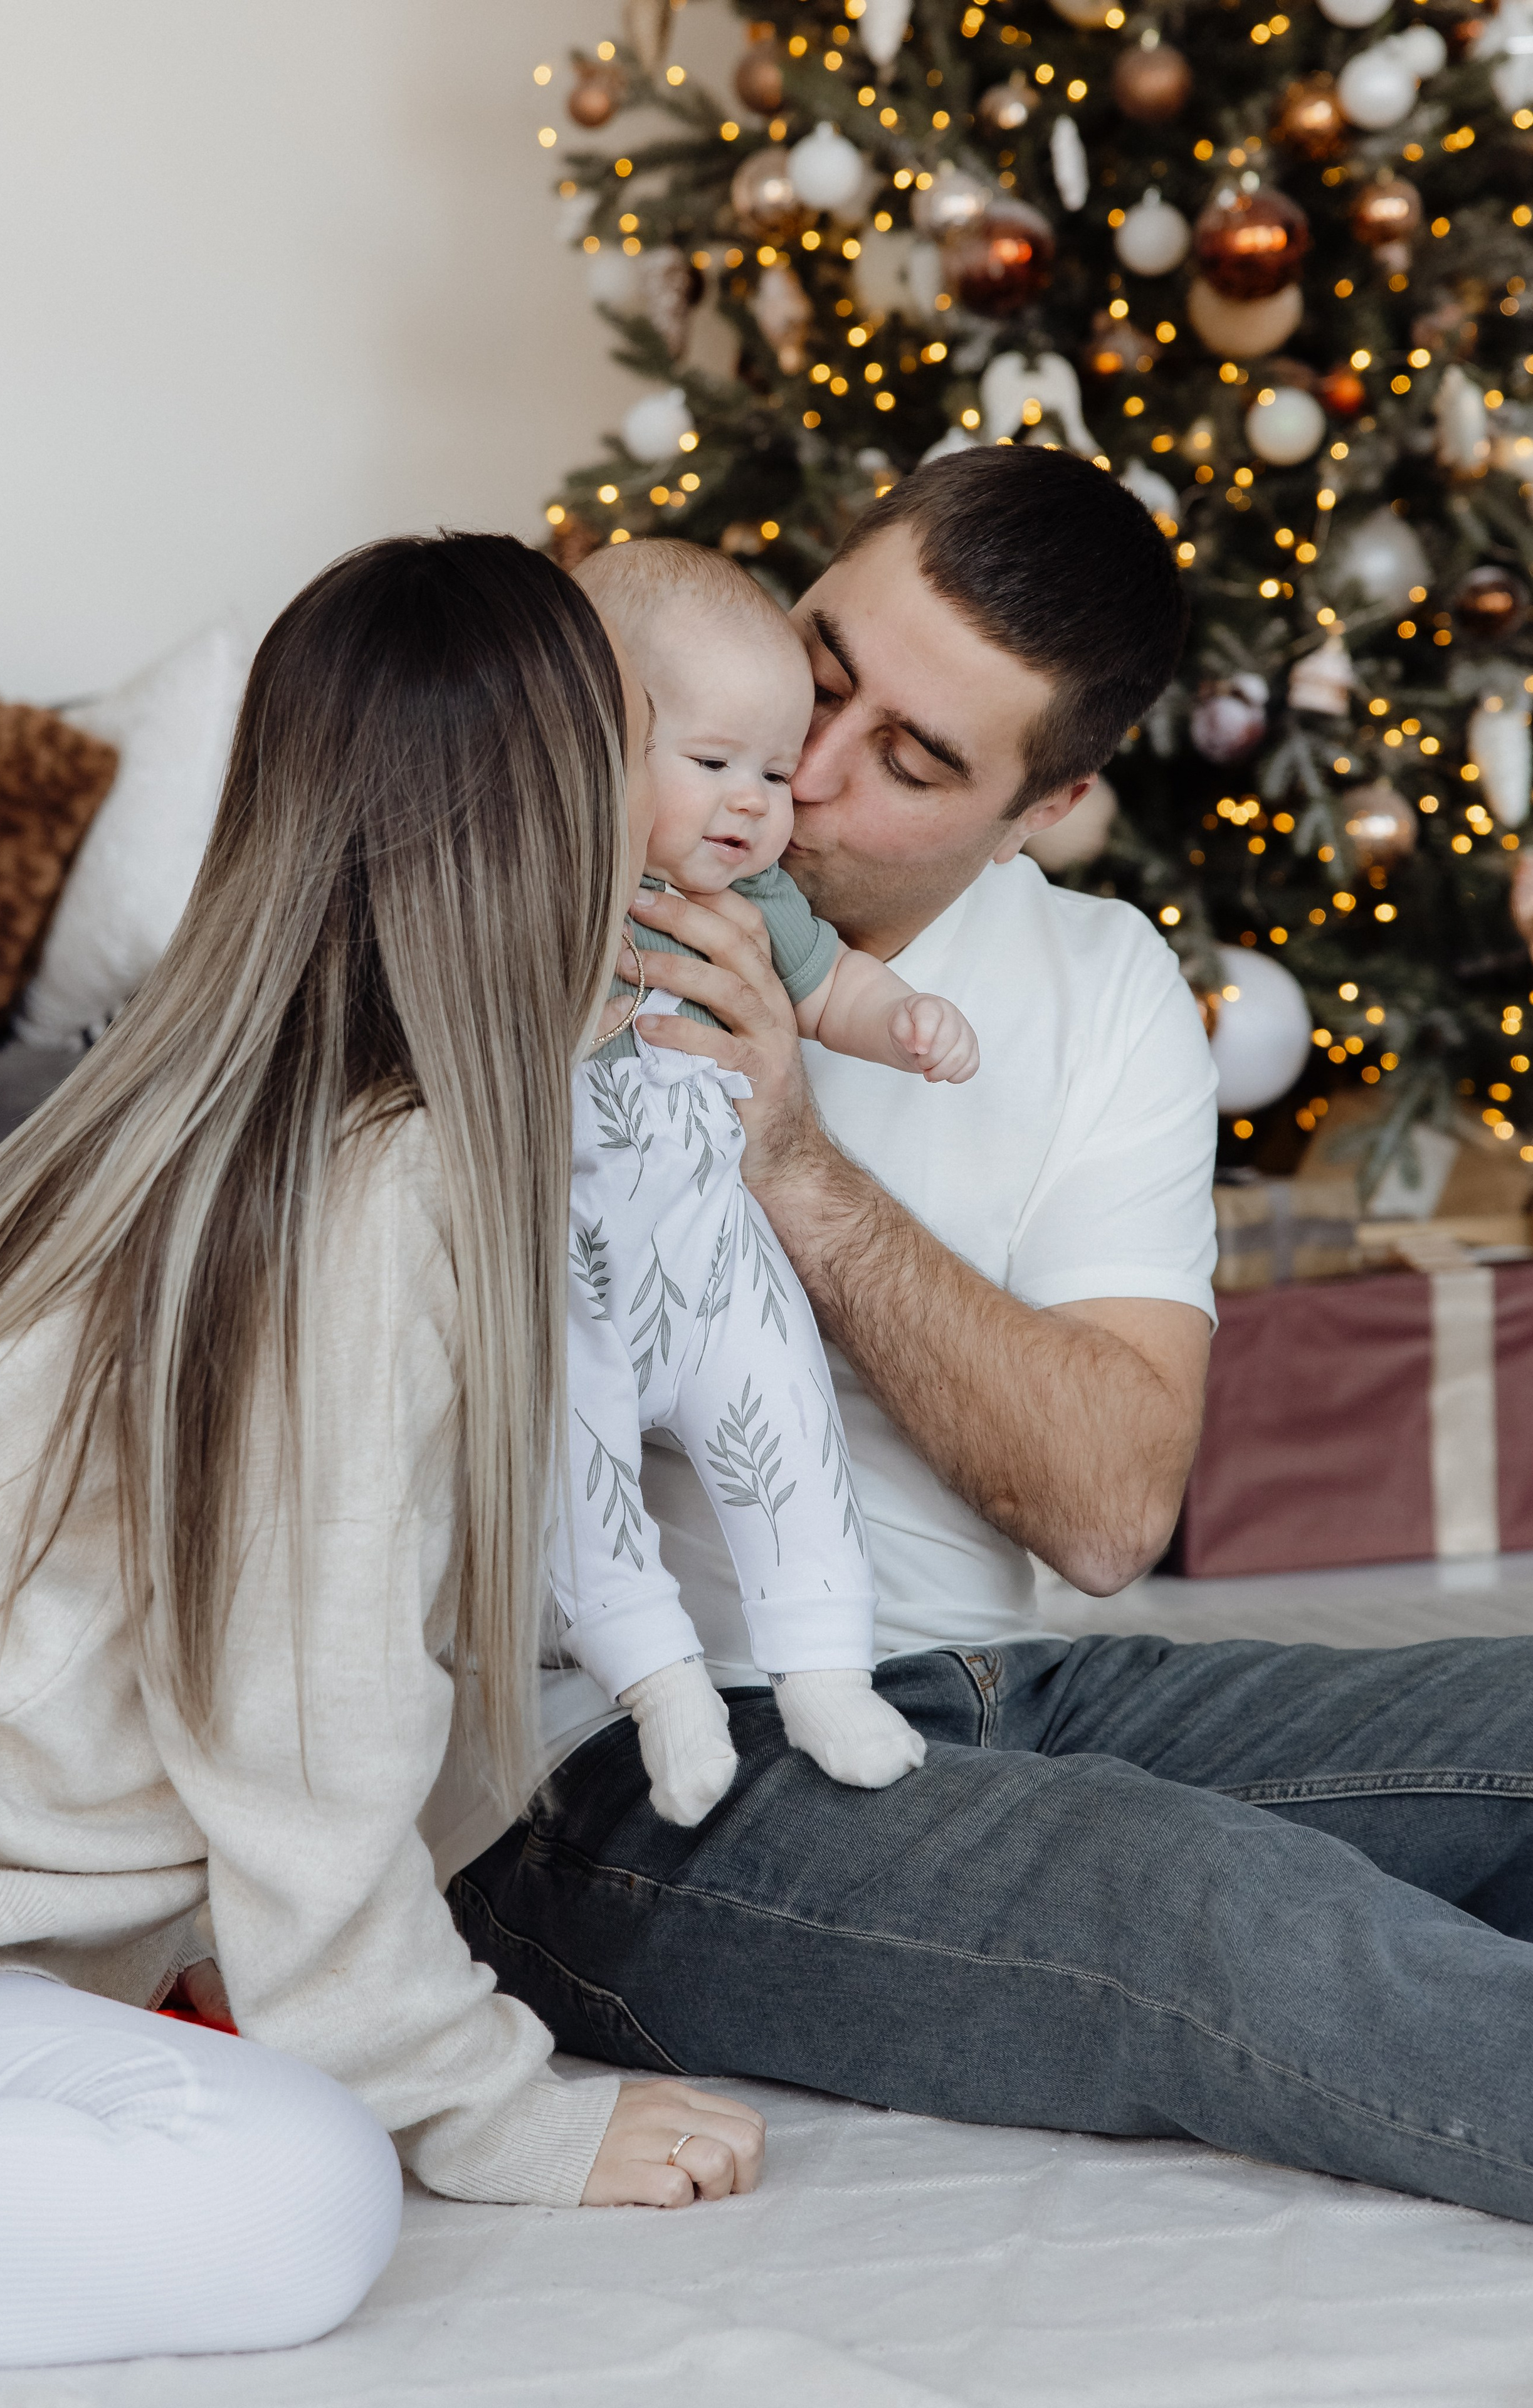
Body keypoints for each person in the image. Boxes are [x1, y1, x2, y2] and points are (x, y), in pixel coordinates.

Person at [455, 446, 1533, 2227]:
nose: (799, 772)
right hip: (629, 1765)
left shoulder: (1107, 990)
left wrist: (797, 1162)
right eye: (823, 667)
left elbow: (1110, 1511)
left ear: (1046, 806)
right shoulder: (537, 879)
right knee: (1205, 1900)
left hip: (1007, 1696)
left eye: (917, 759)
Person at [0, 532, 764, 2372]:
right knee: (305, 2189)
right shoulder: (370, 1190)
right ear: (548, 816)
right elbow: (300, 1722)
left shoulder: (197, 1115)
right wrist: (492, 2107)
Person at [555, 536, 979, 1827]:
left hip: (711, 1257)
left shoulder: (756, 904)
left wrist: (905, 1018)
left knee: (792, 1430)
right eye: (709, 764)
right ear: (591, 747)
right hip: (564, 1269)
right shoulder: (553, 887)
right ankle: (659, 1680)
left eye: (771, 774)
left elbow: (831, 987)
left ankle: (824, 1673)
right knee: (560, 1474)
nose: (751, 806)